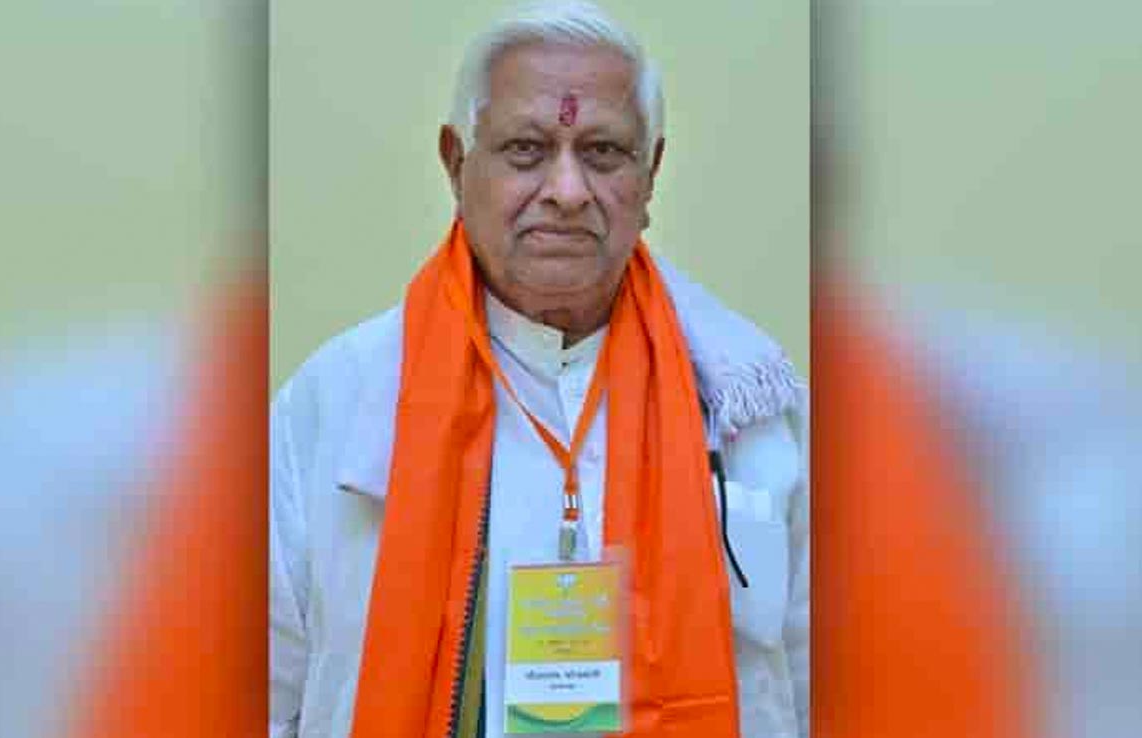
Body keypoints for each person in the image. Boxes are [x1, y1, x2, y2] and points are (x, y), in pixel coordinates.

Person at [269, 3, 808, 737]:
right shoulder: (334, 405)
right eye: (526, 150)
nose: (568, 190)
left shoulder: (751, 407)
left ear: (650, 173)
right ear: (456, 164)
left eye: (603, 152)